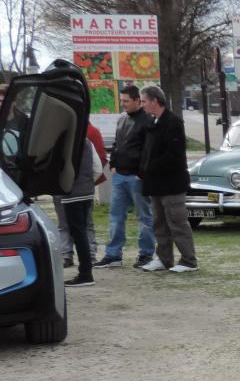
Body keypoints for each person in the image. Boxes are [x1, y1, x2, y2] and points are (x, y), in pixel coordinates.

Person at [95, 86, 155, 269]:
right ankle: (113, 254)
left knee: (144, 216)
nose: (124, 104)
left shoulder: (147, 121)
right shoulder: (122, 119)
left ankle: (146, 254)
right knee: (115, 216)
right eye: (122, 101)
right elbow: (117, 143)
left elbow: (149, 150)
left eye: (127, 101)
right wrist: (113, 164)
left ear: (138, 100)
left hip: (137, 177)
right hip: (120, 175)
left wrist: (141, 173)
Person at [138, 85, 197, 273]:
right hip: (156, 184)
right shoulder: (152, 122)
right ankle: (164, 259)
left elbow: (174, 155)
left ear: (155, 101)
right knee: (159, 223)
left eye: (144, 101)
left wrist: (150, 167)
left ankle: (188, 260)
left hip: (172, 184)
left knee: (177, 223)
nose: (142, 105)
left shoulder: (173, 122)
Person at [57, 124, 104, 267]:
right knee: (86, 225)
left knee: (67, 225)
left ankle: (75, 261)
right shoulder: (87, 141)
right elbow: (97, 168)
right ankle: (90, 256)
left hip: (67, 192)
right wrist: (88, 183)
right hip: (86, 191)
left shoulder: (60, 144)